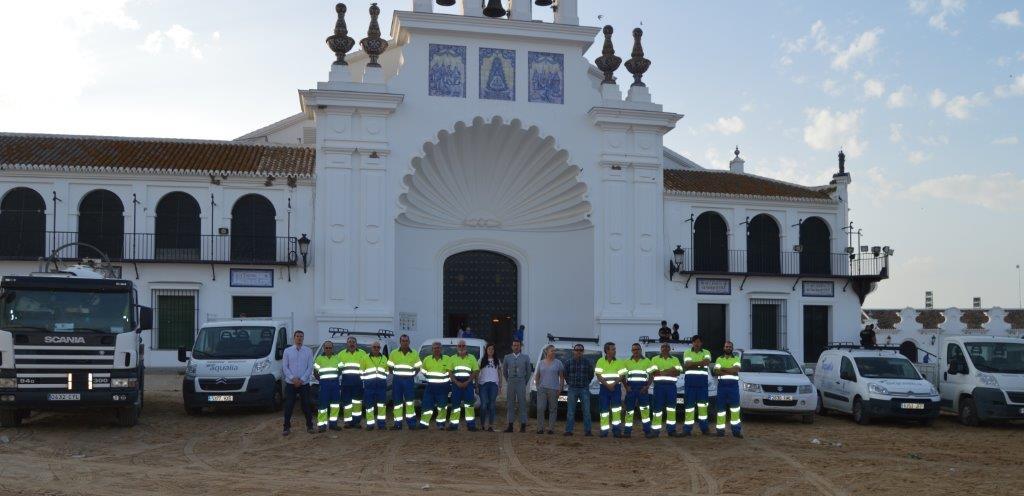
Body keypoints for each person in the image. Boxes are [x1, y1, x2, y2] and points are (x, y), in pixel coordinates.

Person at [282, 330, 314, 436]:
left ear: (303, 338)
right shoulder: (287, 351)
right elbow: (285, 367)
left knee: (306, 405)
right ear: (294, 338)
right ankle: (286, 427)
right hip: (291, 383)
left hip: (304, 383)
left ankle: (310, 426)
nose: (299, 338)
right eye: (297, 336)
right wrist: (293, 379)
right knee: (289, 405)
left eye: (301, 336)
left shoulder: (308, 351)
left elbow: (310, 367)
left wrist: (302, 379)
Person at [388, 334, 422, 430]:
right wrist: (396, 374)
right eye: (403, 341)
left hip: (409, 380)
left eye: (406, 341)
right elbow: (390, 366)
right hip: (397, 380)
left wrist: (412, 375)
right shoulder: (394, 353)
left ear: (409, 342)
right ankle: (397, 424)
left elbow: (418, 367)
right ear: (400, 342)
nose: (405, 342)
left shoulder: (414, 353)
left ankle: (412, 424)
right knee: (397, 403)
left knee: (410, 402)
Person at [682, 335, 713, 436]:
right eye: (695, 342)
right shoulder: (687, 352)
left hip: (702, 385)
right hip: (690, 385)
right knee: (689, 408)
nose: (697, 343)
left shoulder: (706, 352)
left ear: (701, 343)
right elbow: (686, 365)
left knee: (703, 407)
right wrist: (700, 364)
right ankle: (687, 430)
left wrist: (693, 364)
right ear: (692, 343)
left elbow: (706, 363)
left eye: (699, 342)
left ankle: (705, 429)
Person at [649, 342, 682, 437]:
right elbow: (654, 372)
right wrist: (670, 370)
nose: (665, 348)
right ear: (660, 349)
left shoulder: (675, 359)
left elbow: (678, 372)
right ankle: (655, 431)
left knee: (671, 409)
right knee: (657, 409)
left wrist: (663, 371)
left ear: (669, 349)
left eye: (667, 347)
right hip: (658, 387)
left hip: (671, 387)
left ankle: (671, 430)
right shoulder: (654, 359)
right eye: (663, 347)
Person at [594, 342, 626, 438]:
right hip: (604, 389)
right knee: (604, 410)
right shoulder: (600, 361)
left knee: (616, 410)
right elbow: (598, 376)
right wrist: (607, 385)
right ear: (607, 350)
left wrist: (613, 384)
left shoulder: (619, 362)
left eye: (615, 349)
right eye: (613, 349)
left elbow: (622, 376)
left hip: (616, 388)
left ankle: (616, 431)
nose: (615, 351)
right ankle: (604, 431)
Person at [622, 342, 653, 438]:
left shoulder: (647, 361)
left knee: (645, 411)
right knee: (629, 411)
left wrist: (647, 387)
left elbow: (651, 375)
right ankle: (627, 432)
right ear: (632, 351)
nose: (636, 351)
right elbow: (622, 376)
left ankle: (647, 431)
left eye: (637, 349)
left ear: (641, 350)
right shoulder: (627, 362)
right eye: (634, 349)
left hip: (642, 389)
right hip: (631, 389)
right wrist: (626, 387)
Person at [563, 343, 594, 436]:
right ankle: (569, 430)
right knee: (570, 411)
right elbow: (565, 374)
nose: (579, 352)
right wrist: (570, 383)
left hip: (584, 389)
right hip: (572, 389)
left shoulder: (587, 362)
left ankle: (588, 431)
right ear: (573, 351)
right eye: (577, 350)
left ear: (583, 351)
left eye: (580, 350)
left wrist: (586, 383)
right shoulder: (568, 362)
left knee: (586, 411)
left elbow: (591, 375)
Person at [448, 339, 480, 431]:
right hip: (456, 384)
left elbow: (475, 371)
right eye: (459, 346)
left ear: (466, 347)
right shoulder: (452, 358)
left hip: (468, 384)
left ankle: (471, 425)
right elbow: (450, 372)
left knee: (469, 405)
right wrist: (456, 382)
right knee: (455, 405)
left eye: (463, 346)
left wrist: (469, 381)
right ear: (457, 347)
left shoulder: (472, 358)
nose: (461, 347)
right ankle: (453, 425)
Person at [337, 337, 369, 428]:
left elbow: (366, 367)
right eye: (350, 342)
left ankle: (356, 422)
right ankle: (347, 422)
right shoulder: (341, 354)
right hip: (345, 383)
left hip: (358, 382)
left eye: (353, 342)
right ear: (347, 344)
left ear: (356, 343)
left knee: (357, 403)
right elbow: (338, 370)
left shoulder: (362, 353)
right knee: (347, 403)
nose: (351, 344)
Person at [419, 341, 452, 430]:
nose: (436, 349)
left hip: (443, 387)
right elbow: (423, 370)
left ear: (441, 349)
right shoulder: (427, 359)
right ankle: (424, 424)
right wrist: (429, 377)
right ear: (432, 349)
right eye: (435, 348)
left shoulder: (447, 359)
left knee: (442, 407)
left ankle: (441, 424)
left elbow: (450, 371)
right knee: (427, 405)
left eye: (438, 348)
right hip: (430, 387)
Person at [714, 340, 743, 438]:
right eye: (726, 346)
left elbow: (736, 370)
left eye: (730, 347)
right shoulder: (719, 359)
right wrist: (730, 370)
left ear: (732, 348)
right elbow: (716, 371)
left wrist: (723, 369)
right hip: (722, 387)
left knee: (735, 409)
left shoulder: (736, 359)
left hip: (733, 387)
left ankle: (736, 431)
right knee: (721, 410)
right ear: (724, 348)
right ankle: (720, 431)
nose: (728, 348)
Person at [534, 344, 565, 435]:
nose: (554, 352)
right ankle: (540, 428)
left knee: (553, 409)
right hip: (542, 389)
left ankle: (551, 429)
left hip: (554, 389)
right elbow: (537, 376)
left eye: (555, 351)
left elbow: (561, 377)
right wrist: (538, 387)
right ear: (547, 352)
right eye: (552, 351)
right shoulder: (541, 363)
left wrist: (560, 388)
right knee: (540, 408)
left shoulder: (558, 363)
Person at [502, 339, 532, 433]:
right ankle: (510, 425)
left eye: (518, 345)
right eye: (514, 345)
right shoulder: (507, 357)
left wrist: (524, 382)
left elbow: (529, 371)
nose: (516, 347)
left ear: (520, 346)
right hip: (511, 381)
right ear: (512, 347)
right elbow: (504, 371)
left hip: (521, 381)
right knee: (510, 403)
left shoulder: (525, 357)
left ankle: (523, 426)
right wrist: (508, 380)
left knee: (522, 403)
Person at [313, 339, 343, 432]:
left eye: (330, 348)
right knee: (322, 406)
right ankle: (322, 425)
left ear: (332, 348)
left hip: (335, 384)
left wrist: (335, 377)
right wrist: (321, 380)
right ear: (324, 348)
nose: (328, 349)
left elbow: (341, 369)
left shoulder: (337, 358)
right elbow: (315, 372)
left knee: (335, 405)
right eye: (326, 348)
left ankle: (333, 424)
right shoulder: (319, 359)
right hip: (324, 385)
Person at [361, 341, 389, 431]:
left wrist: (382, 378)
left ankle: (381, 424)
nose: (376, 349)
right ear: (371, 348)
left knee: (382, 406)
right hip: (369, 386)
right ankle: (370, 424)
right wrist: (366, 381)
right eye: (374, 347)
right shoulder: (365, 358)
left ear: (380, 348)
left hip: (381, 386)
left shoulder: (384, 358)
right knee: (369, 406)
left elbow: (387, 371)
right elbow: (361, 372)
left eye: (378, 347)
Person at [478, 344, 502, 432]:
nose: (491, 350)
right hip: (483, 385)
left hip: (494, 385)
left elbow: (500, 373)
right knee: (484, 405)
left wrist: (500, 385)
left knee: (492, 405)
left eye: (492, 349)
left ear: (494, 351)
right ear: (486, 350)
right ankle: (482, 424)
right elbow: (477, 372)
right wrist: (476, 385)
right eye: (489, 349)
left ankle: (491, 426)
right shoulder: (481, 360)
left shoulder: (497, 360)